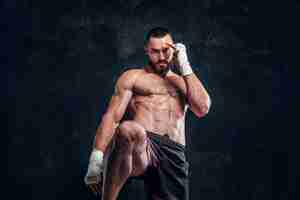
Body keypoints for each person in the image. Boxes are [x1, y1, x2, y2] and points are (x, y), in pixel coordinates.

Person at [84, 27, 211, 200]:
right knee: (128, 129)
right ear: (146, 50)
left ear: (174, 49)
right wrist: (96, 159)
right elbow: (112, 117)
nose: (160, 57)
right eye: (155, 52)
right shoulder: (133, 77)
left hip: (173, 152)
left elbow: (202, 108)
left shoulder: (183, 83)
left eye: (165, 51)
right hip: (143, 147)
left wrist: (184, 64)